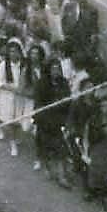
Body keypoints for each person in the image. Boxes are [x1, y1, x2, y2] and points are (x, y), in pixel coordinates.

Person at [34, 57, 73, 188]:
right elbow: (39, 103)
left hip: (58, 121)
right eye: (53, 68)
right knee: (45, 147)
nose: (56, 71)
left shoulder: (64, 83)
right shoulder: (41, 83)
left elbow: (67, 100)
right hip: (45, 121)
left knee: (60, 149)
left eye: (58, 68)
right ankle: (48, 168)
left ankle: (61, 176)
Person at [0, 39, 26, 158]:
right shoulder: (3, 65)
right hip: (7, 96)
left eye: (16, 51)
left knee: (19, 120)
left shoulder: (24, 65)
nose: (13, 54)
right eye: (11, 51)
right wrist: (11, 88)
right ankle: (12, 144)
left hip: (20, 97)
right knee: (10, 120)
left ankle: (17, 138)